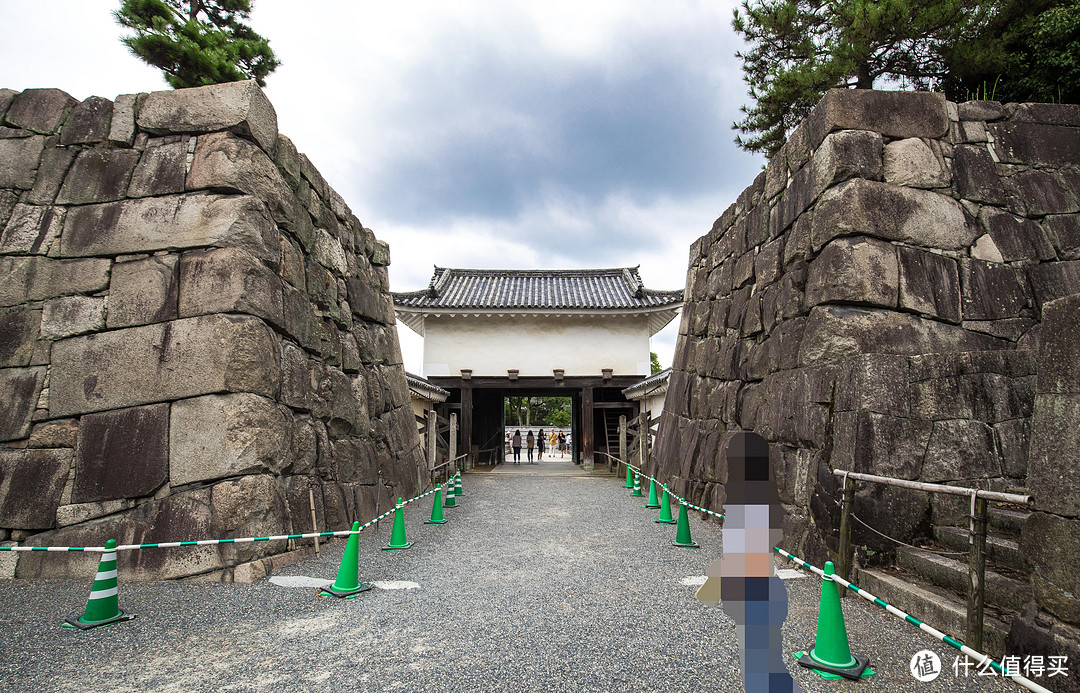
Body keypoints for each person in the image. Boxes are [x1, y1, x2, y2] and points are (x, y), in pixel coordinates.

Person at [695, 431, 806, 692]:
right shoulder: (764, 500)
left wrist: (721, 577)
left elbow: (747, 557)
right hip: (763, 592)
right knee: (769, 671)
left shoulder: (747, 505)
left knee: (761, 676)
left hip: (756, 596)